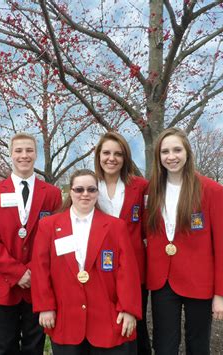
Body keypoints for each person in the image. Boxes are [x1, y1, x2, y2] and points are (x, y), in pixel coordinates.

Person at [31, 169, 141, 354]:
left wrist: (128, 309)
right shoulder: (49, 225)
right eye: (79, 189)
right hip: (66, 318)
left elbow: (127, 271)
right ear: (70, 192)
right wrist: (45, 307)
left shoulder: (115, 226)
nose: (85, 194)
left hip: (106, 318)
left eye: (91, 189)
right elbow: (41, 269)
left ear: (97, 193)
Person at [145, 127, 223, 354]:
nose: (171, 157)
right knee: (164, 345)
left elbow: (222, 246)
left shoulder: (212, 190)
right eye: (165, 152)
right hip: (163, 282)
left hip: (200, 280)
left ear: (187, 152)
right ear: (158, 157)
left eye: (176, 150)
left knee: (198, 344)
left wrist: (221, 294)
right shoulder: (152, 190)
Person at [0, 132, 62, 355]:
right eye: (18, 151)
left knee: (34, 346)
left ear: (36, 154)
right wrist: (17, 273)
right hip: (3, 283)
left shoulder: (52, 194)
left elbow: (55, 239)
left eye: (29, 150)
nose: (24, 155)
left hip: (39, 283)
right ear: (10, 154)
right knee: (6, 345)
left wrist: (34, 272)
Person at [94, 132, 151, 354]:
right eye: (106, 153)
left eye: (118, 154)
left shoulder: (141, 186)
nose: (112, 158)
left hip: (134, 270)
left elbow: (149, 228)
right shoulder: (89, 186)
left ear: (126, 158)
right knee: (103, 322)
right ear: (98, 156)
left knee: (136, 324)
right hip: (98, 269)